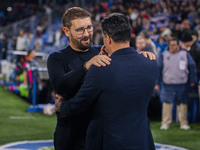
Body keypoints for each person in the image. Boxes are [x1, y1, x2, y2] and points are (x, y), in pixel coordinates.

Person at [47, 7, 156, 150]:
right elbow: (60, 86)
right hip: (71, 133)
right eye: (80, 30)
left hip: (98, 133)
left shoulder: (103, 51)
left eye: (89, 27)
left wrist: (141, 56)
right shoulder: (57, 58)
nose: (87, 34)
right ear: (67, 31)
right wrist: (86, 66)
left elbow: (122, 61)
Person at [155, 38, 197, 130]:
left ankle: (183, 123)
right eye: (171, 45)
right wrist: (157, 83)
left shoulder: (185, 54)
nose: (172, 47)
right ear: (168, 46)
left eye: (174, 45)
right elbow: (158, 69)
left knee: (182, 104)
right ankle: (165, 123)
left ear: (178, 45)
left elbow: (192, 67)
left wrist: (193, 80)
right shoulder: (163, 55)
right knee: (167, 104)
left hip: (182, 83)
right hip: (167, 83)